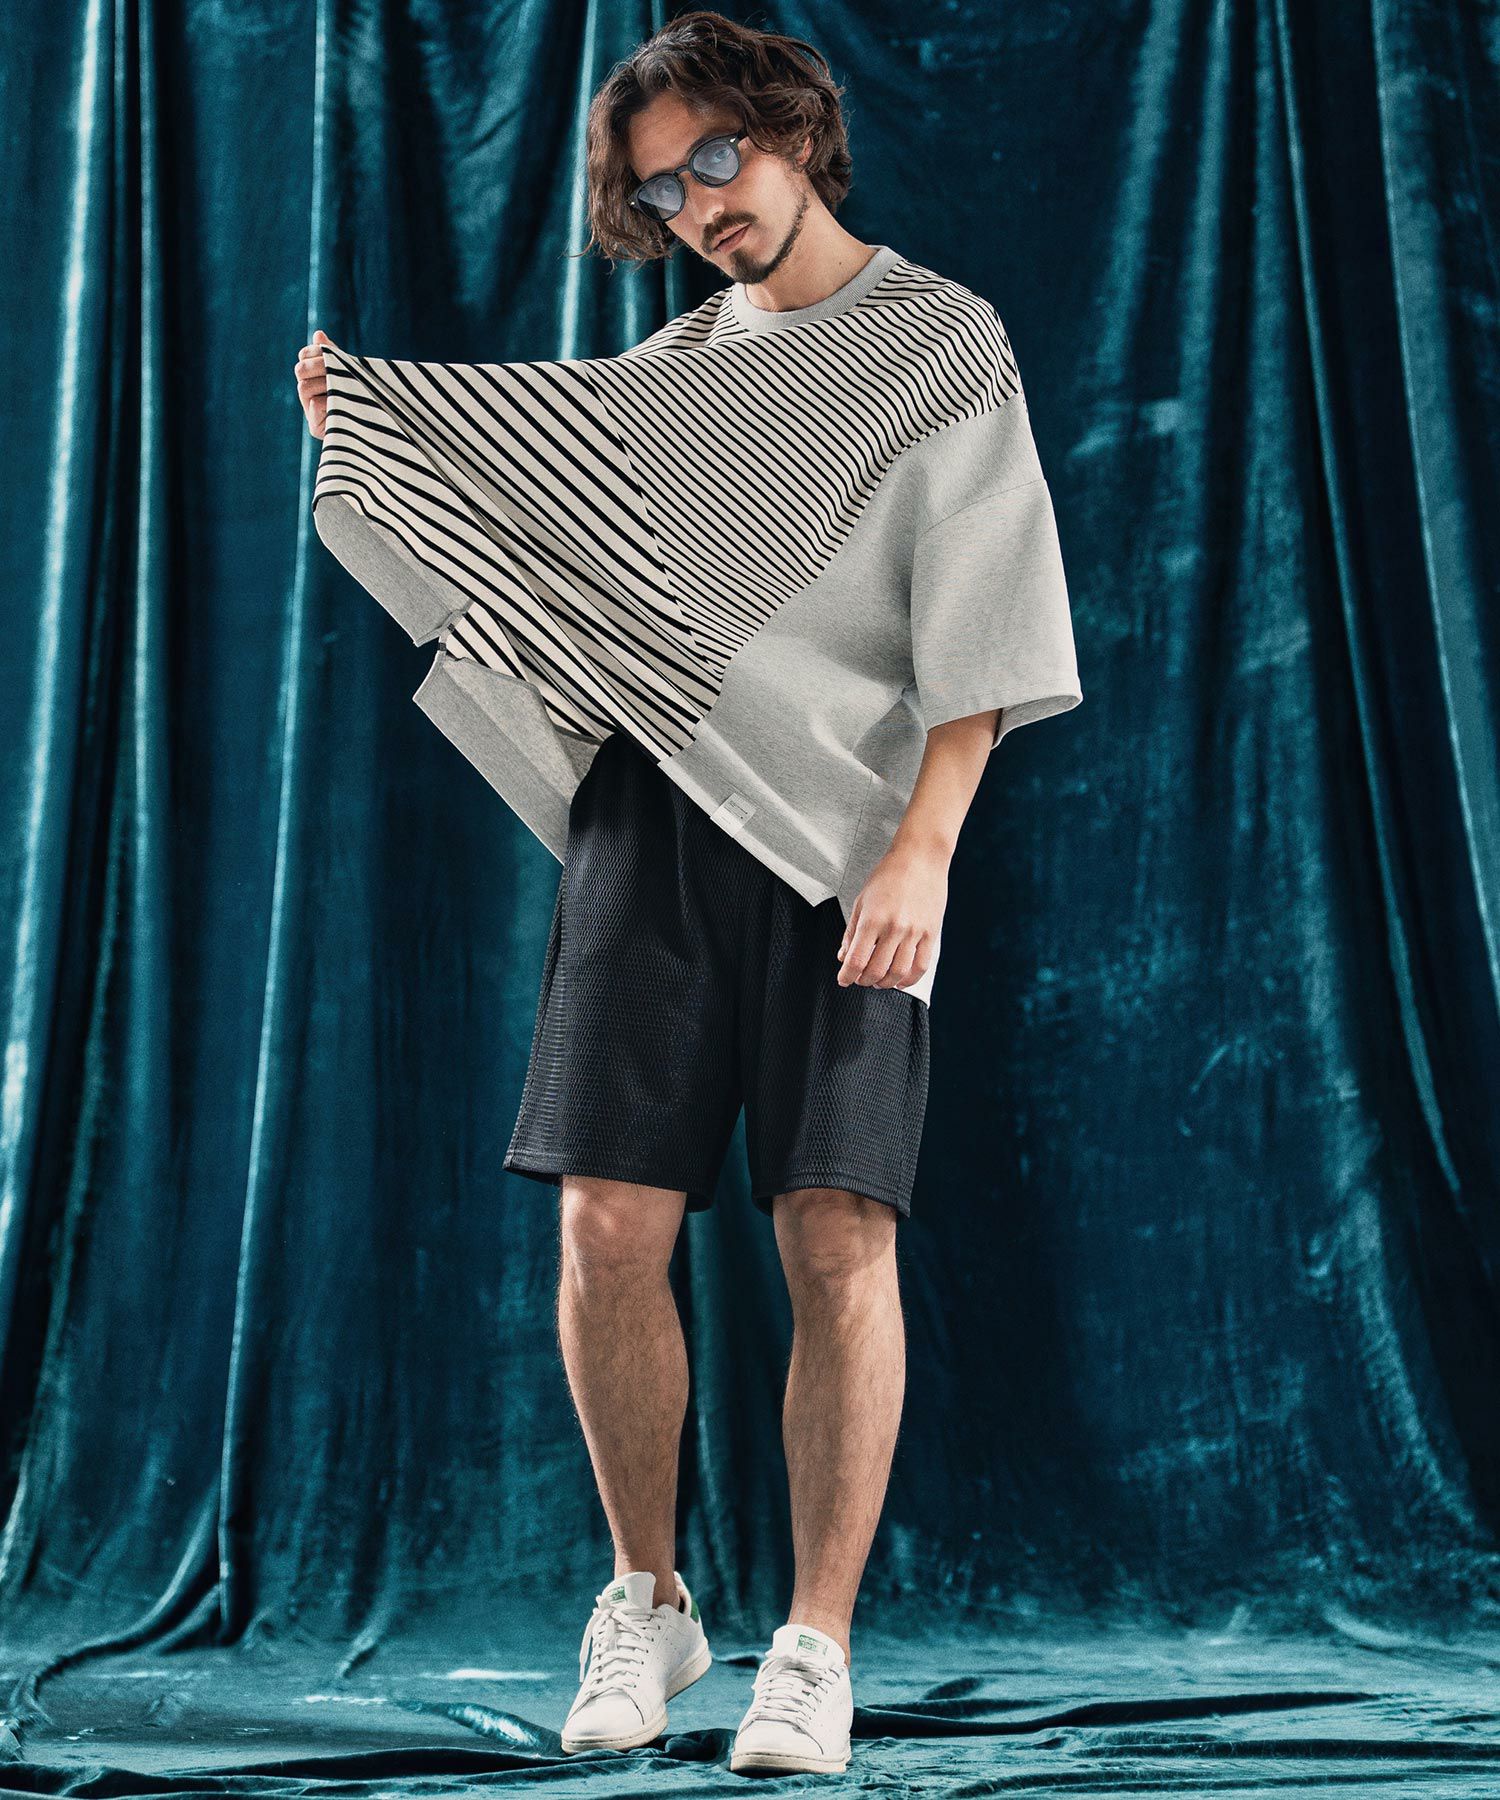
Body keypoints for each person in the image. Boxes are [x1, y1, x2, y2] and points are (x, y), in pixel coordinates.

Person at [295, 10, 1080, 1778]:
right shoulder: (672, 374)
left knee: (838, 1234)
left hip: (855, 852)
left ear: (794, 128)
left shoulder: (942, 343)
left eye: (717, 160)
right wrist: (374, 425)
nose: (699, 207)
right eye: (661, 192)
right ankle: (646, 1601)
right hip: (650, 828)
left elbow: (985, 622)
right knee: (603, 1228)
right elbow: (535, 513)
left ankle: (813, 1648)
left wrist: (925, 851)